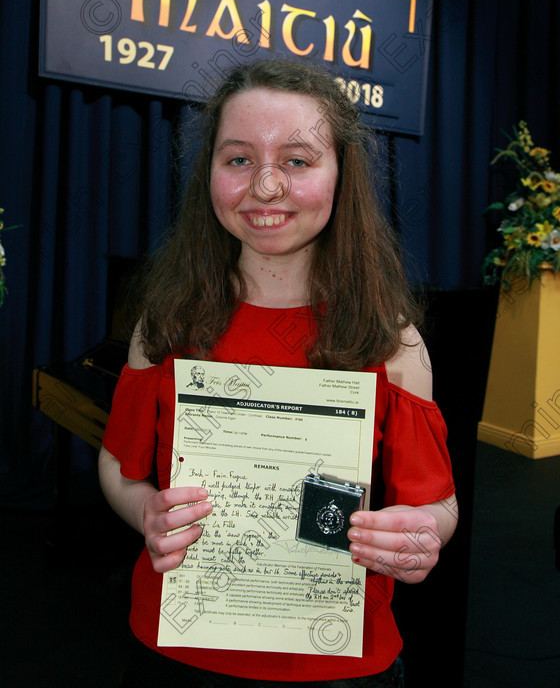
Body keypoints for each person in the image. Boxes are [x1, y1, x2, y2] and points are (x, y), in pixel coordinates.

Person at [98, 58, 457, 687]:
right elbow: (118, 467)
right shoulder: (165, 325)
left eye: (297, 160)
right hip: (178, 653)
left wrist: (423, 535)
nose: (266, 187)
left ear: (341, 173)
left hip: (340, 662)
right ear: (209, 172)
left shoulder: (392, 341)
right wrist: (145, 512)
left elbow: (438, 505)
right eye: (238, 159)